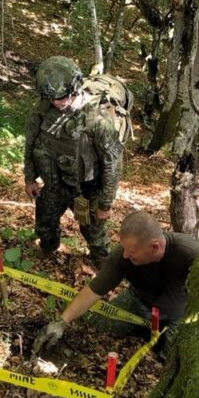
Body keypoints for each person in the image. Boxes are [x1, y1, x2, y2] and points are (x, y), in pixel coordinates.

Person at [33, 210, 199, 359]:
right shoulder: (122, 255)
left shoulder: (188, 253)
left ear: (155, 247)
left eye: (132, 252)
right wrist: (62, 322)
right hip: (138, 302)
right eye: (124, 249)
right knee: (98, 329)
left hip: (179, 315)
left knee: (171, 361)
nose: (126, 255)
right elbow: (94, 290)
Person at [23, 56, 126, 267]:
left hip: (86, 190)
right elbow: (31, 143)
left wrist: (105, 203)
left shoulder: (96, 120)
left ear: (74, 88)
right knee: (45, 223)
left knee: (93, 232)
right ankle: (48, 249)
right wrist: (30, 178)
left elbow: (113, 164)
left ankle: (103, 264)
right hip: (54, 183)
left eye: (60, 97)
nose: (56, 102)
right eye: (51, 98)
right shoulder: (43, 109)